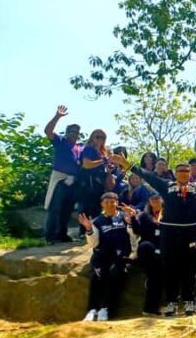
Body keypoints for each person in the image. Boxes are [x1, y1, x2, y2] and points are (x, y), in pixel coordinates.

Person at [110, 153, 196, 317]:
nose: (183, 174)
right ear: (175, 173)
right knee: (171, 268)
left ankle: (189, 300)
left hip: (191, 232)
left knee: (190, 268)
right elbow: (145, 174)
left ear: (190, 173)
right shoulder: (166, 185)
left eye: (186, 171)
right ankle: (171, 302)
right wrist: (124, 162)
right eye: (180, 171)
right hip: (169, 233)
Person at [79, 193, 135, 322]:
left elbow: (133, 236)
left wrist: (131, 223)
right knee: (96, 276)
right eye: (107, 202)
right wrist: (89, 229)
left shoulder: (124, 217)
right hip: (102, 255)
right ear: (102, 204)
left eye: (112, 202)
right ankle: (92, 309)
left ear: (117, 203)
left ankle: (105, 308)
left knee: (114, 274)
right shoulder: (97, 221)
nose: (110, 205)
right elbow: (94, 243)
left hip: (120, 255)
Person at [43, 105, 82, 244]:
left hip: (73, 182)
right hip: (60, 179)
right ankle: (50, 236)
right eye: (71, 131)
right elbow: (48, 131)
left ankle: (62, 234)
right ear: (66, 132)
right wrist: (57, 116)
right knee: (55, 208)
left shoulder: (80, 148)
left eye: (76, 132)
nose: (74, 134)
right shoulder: (60, 141)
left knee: (67, 210)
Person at [131, 193, 164, 315]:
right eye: (152, 199)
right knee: (154, 278)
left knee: (157, 279)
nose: (155, 201)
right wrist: (133, 218)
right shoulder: (144, 216)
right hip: (148, 251)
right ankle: (150, 308)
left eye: (157, 199)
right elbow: (137, 230)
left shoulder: (168, 214)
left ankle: (152, 308)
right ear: (149, 202)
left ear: (162, 200)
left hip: (163, 249)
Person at [79, 129, 112, 225]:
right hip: (88, 182)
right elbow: (86, 164)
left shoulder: (102, 152)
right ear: (92, 138)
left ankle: (95, 229)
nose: (100, 140)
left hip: (99, 184)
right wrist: (103, 160)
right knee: (87, 207)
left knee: (97, 207)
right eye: (97, 137)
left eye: (102, 137)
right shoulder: (89, 149)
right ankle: (84, 230)